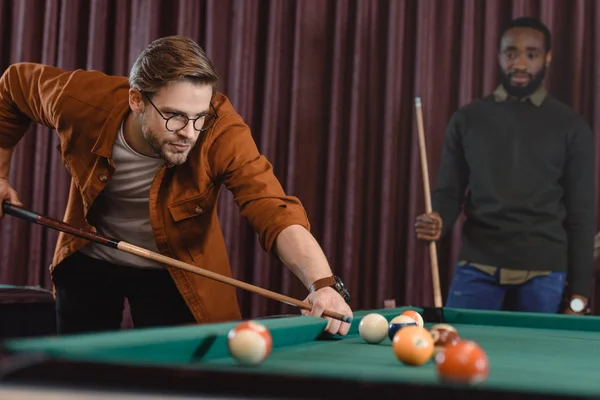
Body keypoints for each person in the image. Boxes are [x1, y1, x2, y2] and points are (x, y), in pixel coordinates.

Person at [0, 35, 352, 335]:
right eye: (175, 115)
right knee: (76, 382)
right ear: (137, 99)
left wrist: (322, 284)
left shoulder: (221, 132)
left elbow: (271, 207)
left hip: (175, 271)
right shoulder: (81, 101)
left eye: (199, 116)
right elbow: (13, 85)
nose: (190, 132)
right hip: (90, 255)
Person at [414, 17, 595, 314]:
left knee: (534, 360)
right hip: (477, 266)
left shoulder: (571, 126)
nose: (520, 63)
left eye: (531, 54)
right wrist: (438, 221)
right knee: (459, 355)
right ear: (499, 56)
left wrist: (579, 293)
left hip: (544, 273)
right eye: (511, 53)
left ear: (547, 58)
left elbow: (581, 216)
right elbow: (448, 194)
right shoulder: (468, 118)